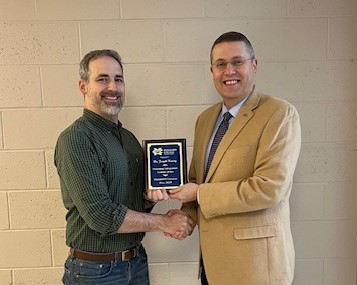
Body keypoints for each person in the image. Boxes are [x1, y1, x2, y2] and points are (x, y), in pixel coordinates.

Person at [168, 32, 301, 285]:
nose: (229, 71)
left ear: (254, 65)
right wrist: (186, 218)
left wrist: (197, 194)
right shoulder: (205, 120)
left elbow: (268, 189)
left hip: (255, 269)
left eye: (237, 62)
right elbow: (197, 180)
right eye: (220, 64)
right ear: (212, 71)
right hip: (211, 266)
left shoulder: (279, 114)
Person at [54, 49, 193, 285]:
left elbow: (132, 205)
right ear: (83, 86)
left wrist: (150, 199)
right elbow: (102, 217)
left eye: (118, 79)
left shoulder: (128, 139)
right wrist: (165, 222)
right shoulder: (76, 139)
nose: (113, 87)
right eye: (102, 79)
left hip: (136, 262)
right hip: (94, 272)